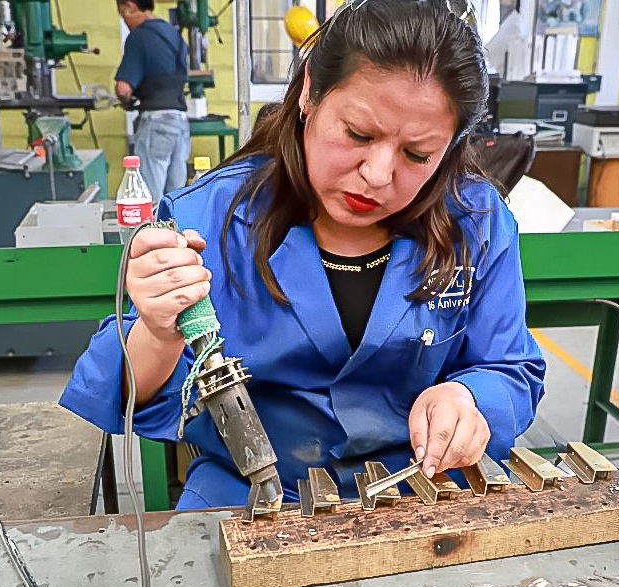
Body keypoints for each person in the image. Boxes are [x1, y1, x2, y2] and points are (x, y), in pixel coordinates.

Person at [62, 0, 547, 510]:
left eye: (417, 154)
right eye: (358, 134)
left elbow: (510, 367)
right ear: (310, 91)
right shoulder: (209, 218)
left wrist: (470, 398)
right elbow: (125, 391)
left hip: (420, 492)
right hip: (249, 495)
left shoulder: (475, 221)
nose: (377, 174)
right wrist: (159, 331)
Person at [115, 0, 192, 197]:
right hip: (181, 123)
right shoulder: (173, 34)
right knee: (176, 199)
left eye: (123, 15)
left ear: (130, 7)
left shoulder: (139, 37)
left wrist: (125, 101)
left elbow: (123, 88)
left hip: (156, 123)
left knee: (149, 198)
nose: (125, 22)